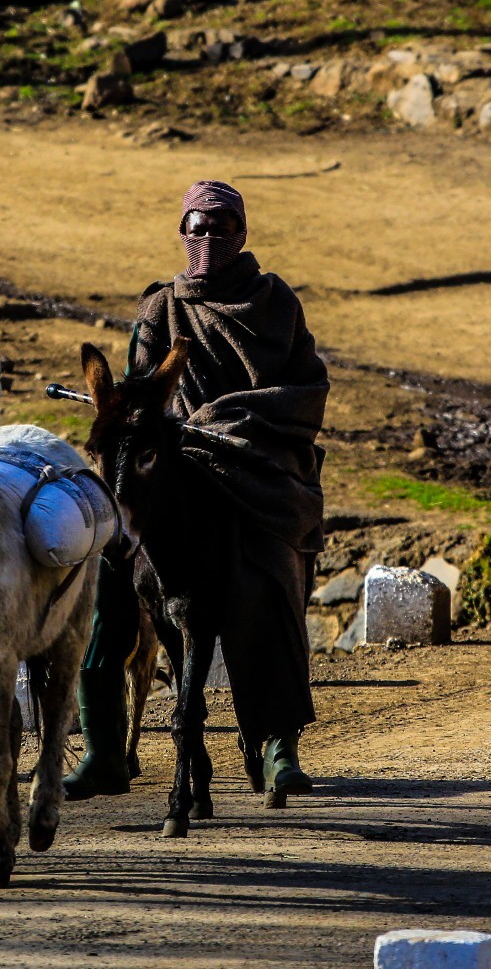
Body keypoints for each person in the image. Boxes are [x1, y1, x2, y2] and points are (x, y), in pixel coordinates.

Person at [65, 180, 331, 799]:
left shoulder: (276, 303)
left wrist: (226, 420)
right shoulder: (161, 308)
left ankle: (274, 748)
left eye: (220, 226)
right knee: (108, 579)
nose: (208, 238)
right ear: (181, 234)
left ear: (241, 232)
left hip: (257, 472)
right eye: (197, 226)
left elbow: (308, 390)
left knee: (266, 576)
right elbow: (140, 386)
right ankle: (103, 750)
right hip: (168, 470)